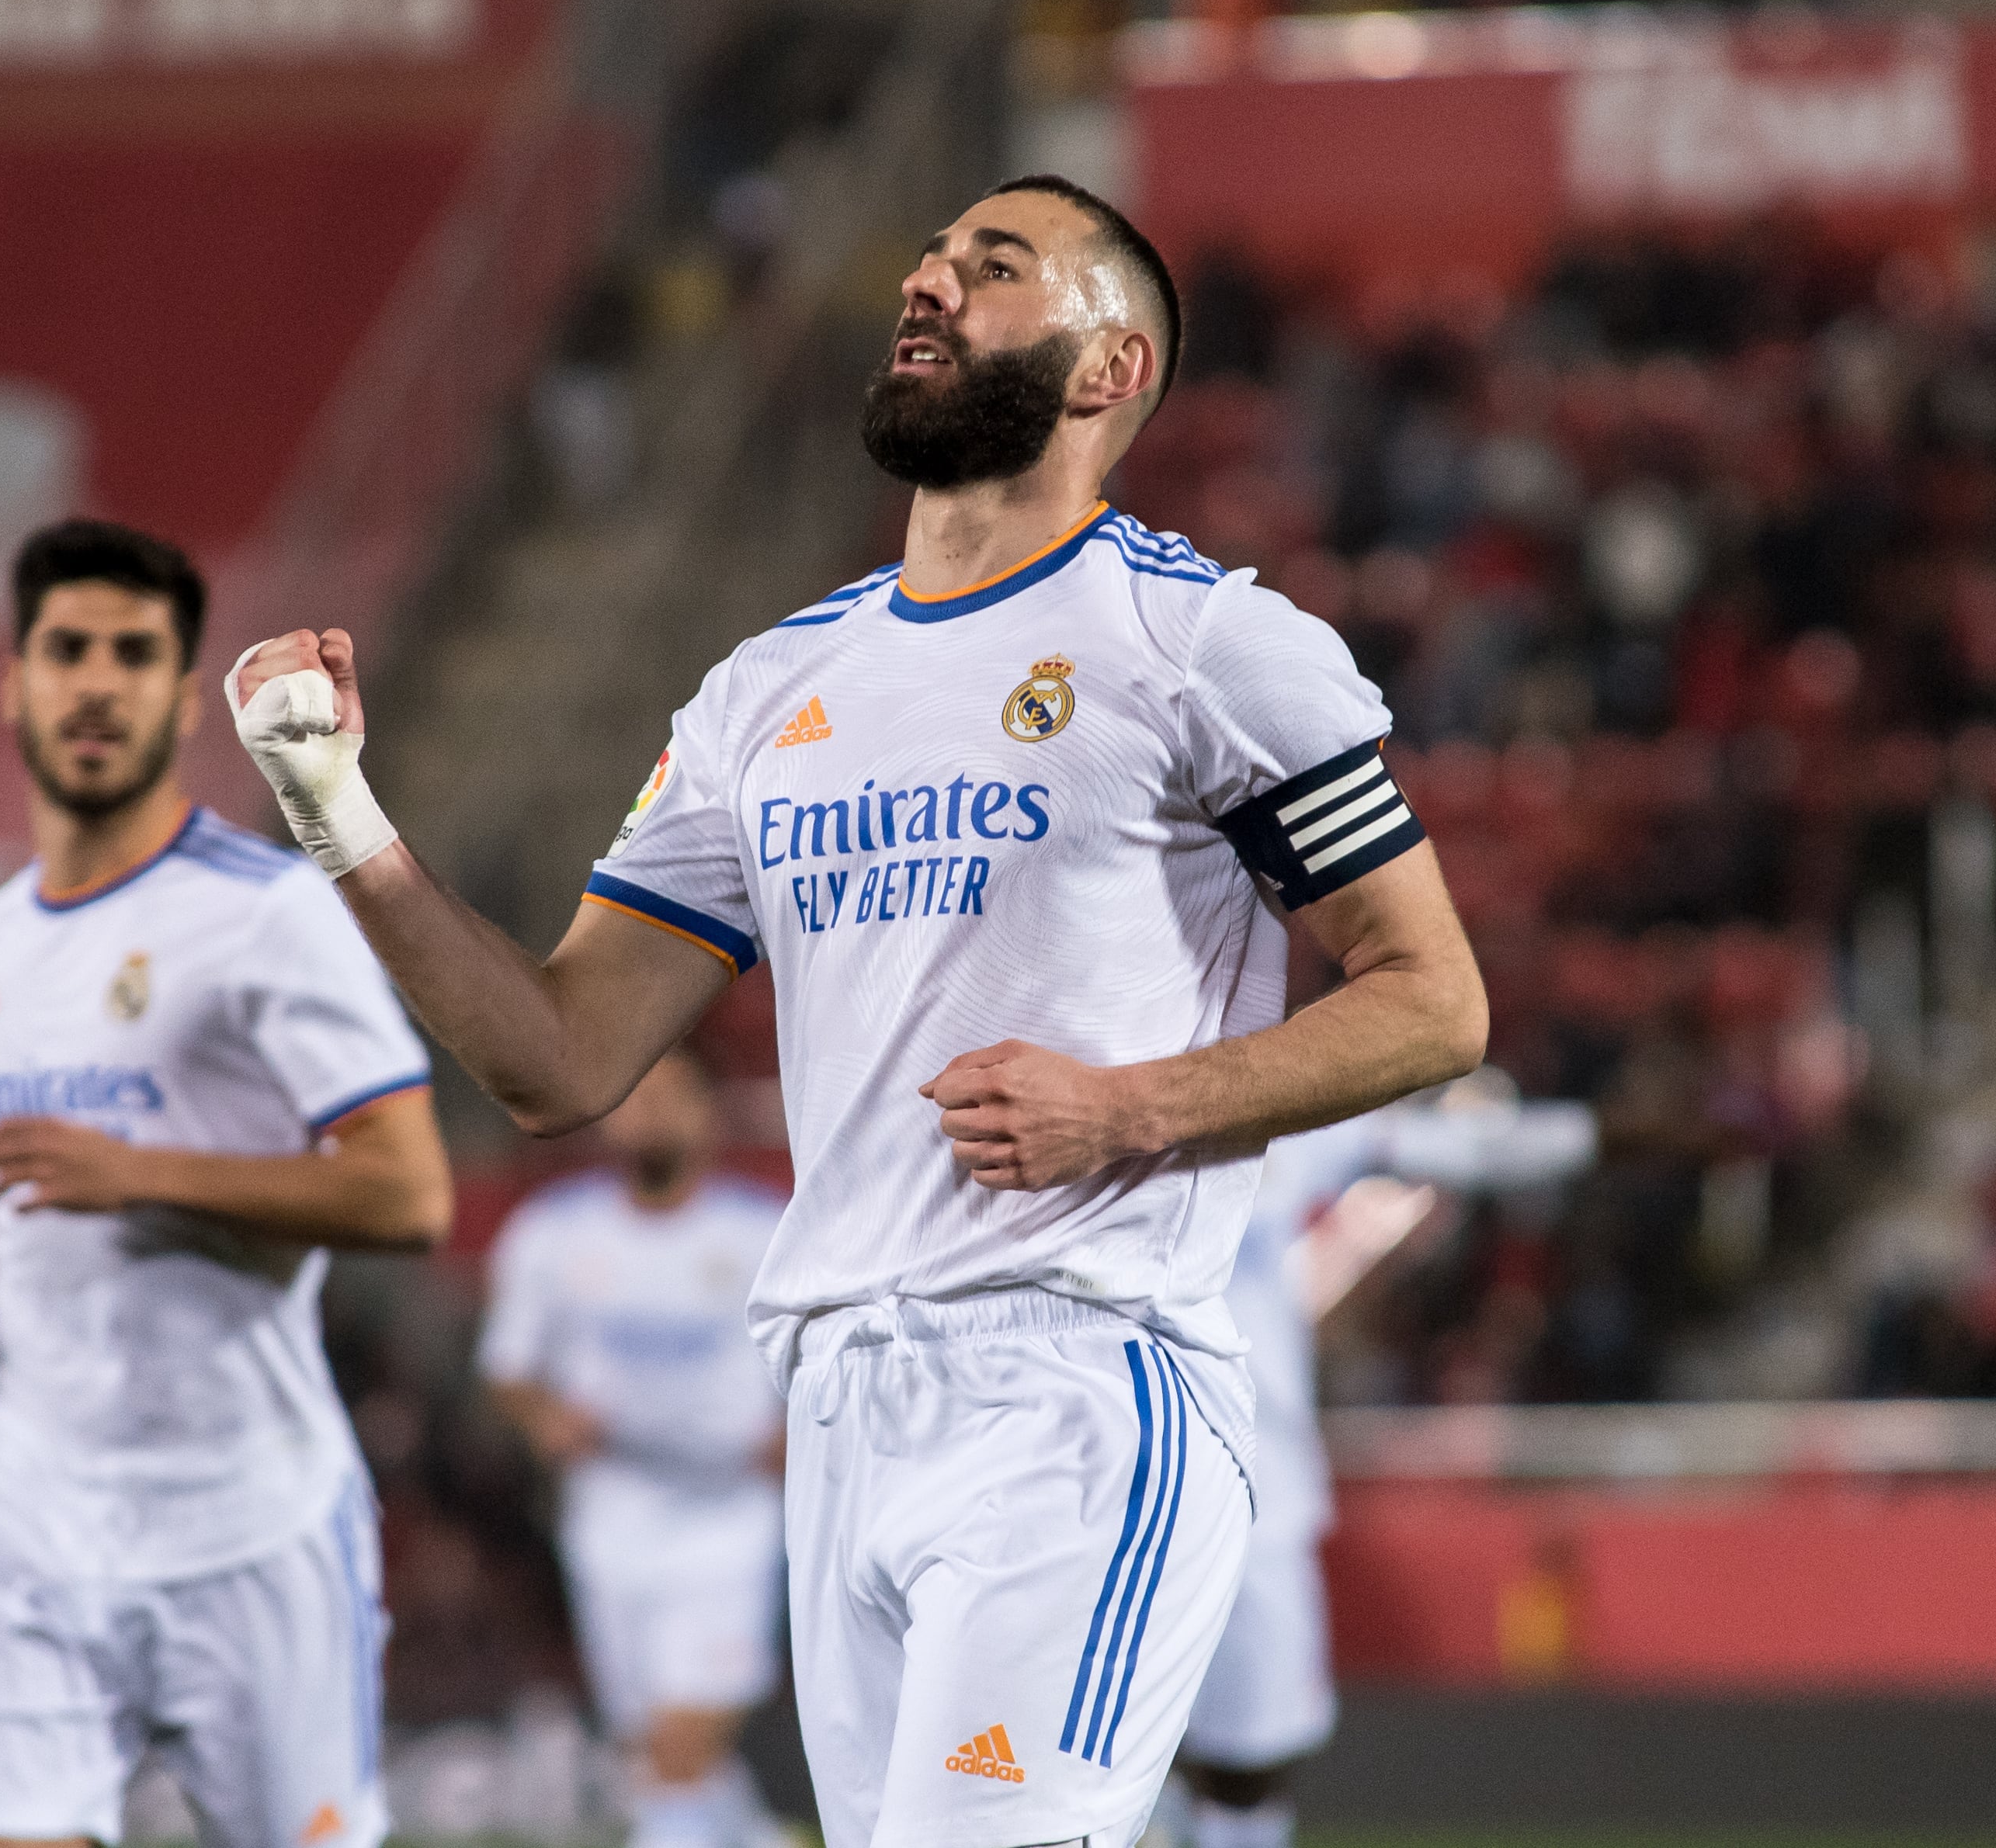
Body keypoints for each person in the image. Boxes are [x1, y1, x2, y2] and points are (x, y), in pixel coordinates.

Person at [229, 175, 1492, 1848]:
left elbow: (1434, 1002)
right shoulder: (767, 692)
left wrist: (1128, 1108)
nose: (927, 283)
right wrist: (340, 818)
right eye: (925, 259)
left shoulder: (1206, 645)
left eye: (993, 266)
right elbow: (555, 1059)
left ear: (1109, 369)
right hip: (837, 1408)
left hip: (1076, 1390)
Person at [0, 518, 453, 1848]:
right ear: (12, 682)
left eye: (134, 655)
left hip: (244, 1524)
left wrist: (139, 1175)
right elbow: (44, 1173)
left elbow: (406, 1192)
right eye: (66, 648)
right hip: (25, 1511)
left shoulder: (270, 912)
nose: (96, 682)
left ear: (181, 698)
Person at [1170, 1077, 1594, 1848]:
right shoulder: (1096, 1102)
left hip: (1264, 1493)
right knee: (1114, 1751)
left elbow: (1475, 1149)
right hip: (1125, 1481)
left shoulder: (1289, 1113)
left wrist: (1603, 1133)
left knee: (1253, 1757)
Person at [478, 1050, 788, 1848]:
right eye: (633, 1097)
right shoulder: (553, 1232)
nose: (647, 1115)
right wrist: (545, 1417)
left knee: (681, 1755)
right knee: (652, 1753)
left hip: (728, 1520)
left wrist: (797, 1435)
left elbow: (819, 1359)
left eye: (669, 1098)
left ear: (708, 1117)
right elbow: (511, 1368)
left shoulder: (765, 1231)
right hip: (611, 1520)